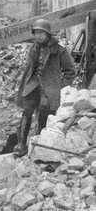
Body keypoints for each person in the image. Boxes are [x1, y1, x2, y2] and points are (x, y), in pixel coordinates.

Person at [13, 19, 76, 157]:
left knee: (44, 112)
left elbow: (70, 71)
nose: (39, 36)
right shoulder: (34, 48)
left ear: (48, 34)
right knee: (26, 111)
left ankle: (40, 143)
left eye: (41, 33)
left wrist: (60, 87)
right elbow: (29, 69)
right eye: (36, 33)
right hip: (33, 85)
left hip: (50, 88)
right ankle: (21, 144)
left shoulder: (59, 50)